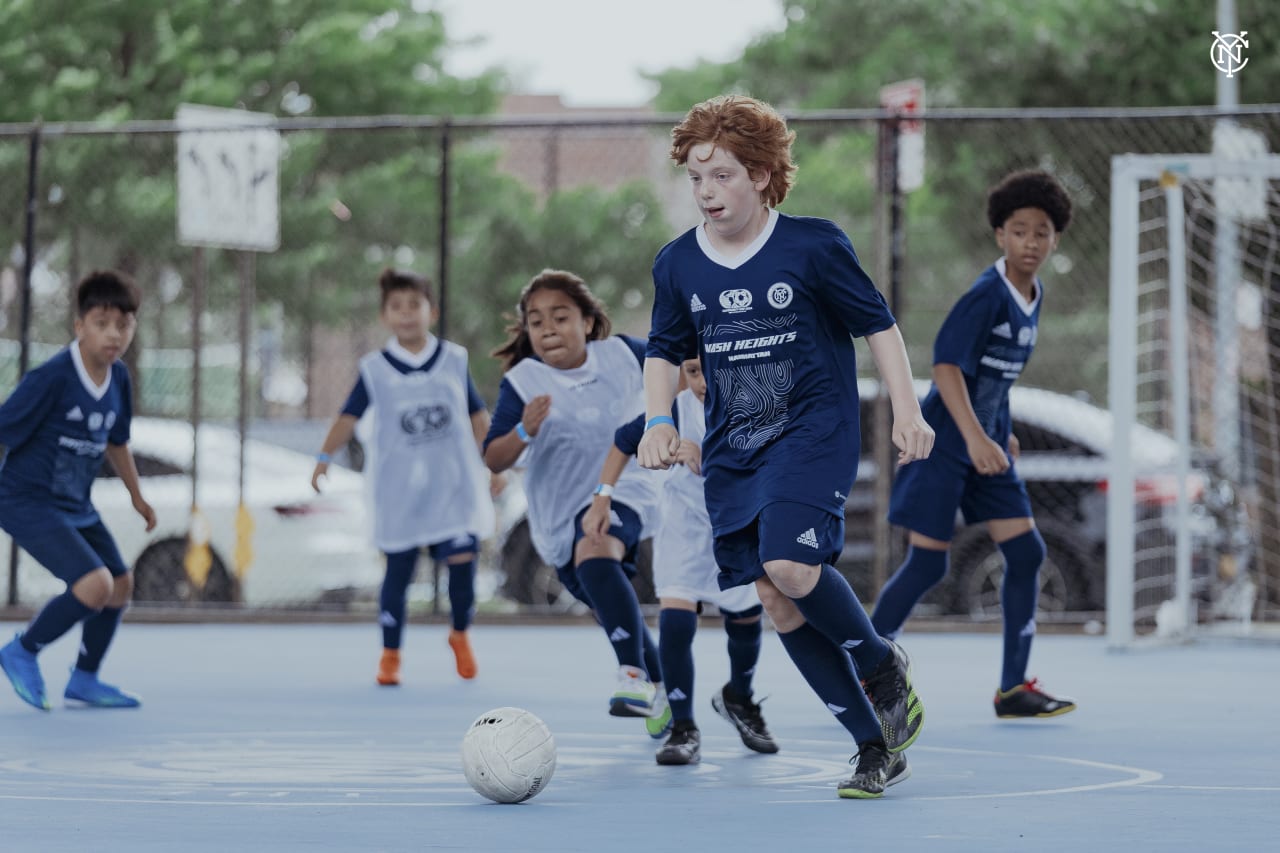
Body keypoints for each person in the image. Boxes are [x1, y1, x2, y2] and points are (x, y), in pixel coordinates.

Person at [638, 94, 934, 798]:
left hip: (812, 430)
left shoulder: (813, 245)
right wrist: (658, 419)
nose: (708, 193)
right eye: (697, 178)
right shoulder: (678, 264)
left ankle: (879, 659)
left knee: (789, 563)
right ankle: (874, 745)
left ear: (766, 176)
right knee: (777, 599)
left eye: (726, 176)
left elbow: (879, 325)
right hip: (734, 446)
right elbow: (662, 347)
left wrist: (907, 409)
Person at [871, 169, 1076, 719]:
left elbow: (996, 379)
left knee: (1028, 551)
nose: (1030, 242)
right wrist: (977, 436)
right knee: (928, 566)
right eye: (1019, 231)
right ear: (999, 236)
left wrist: (999, 428)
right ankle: (864, 667)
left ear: (1055, 239)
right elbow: (946, 367)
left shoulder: (1034, 297)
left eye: (1041, 232)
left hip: (985, 442)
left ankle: (1013, 690)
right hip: (947, 444)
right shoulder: (986, 295)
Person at [483, 269, 671, 739]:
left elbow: (679, 372)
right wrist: (525, 428)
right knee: (611, 604)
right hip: (557, 519)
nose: (547, 329)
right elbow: (493, 456)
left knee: (597, 542)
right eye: (536, 321)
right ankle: (667, 692)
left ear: (588, 322)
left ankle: (630, 676)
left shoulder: (626, 355)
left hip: (628, 491)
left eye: (560, 317)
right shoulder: (525, 382)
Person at [584, 357, 778, 766]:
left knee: (744, 620)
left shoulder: (756, 405)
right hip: (684, 530)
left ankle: (738, 697)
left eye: (712, 368)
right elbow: (623, 441)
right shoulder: (674, 411)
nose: (702, 381)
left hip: (736, 527)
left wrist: (706, 456)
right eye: (692, 370)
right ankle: (683, 726)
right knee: (676, 619)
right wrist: (602, 496)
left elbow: (766, 469)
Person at [311, 268, 498, 686]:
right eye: (397, 307)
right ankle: (390, 653)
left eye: (414, 305)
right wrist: (324, 455)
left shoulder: (453, 359)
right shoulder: (375, 369)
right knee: (397, 572)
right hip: (400, 492)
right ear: (385, 317)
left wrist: (493, 463)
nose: (406, 314)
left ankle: (460, 633)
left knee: (464, 560)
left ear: (431, 311)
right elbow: (347, 416)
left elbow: (477, 416)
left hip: (452, 488)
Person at [0, 270, 156, 711]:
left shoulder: (119, 379)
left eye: (123, 325)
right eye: (102, 323)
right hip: (24, 500)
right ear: (79, 326)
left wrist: (137, 496)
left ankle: (84, 679)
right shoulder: (50, 378)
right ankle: (21, 651)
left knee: (121, 584)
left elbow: (116, 441)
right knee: (95, 585)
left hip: (74, 504)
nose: (113, 334)